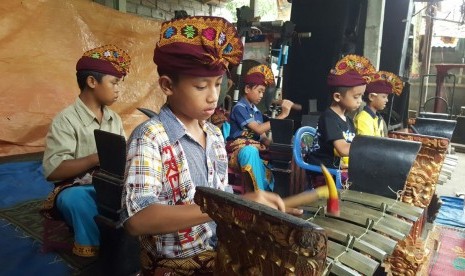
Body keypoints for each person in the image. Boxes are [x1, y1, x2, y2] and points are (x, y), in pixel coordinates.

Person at [121, 16, 301, 275]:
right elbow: (137, 220)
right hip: (173, 265)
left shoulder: (215, 136)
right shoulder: (149, 137)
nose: (213, 96)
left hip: (217, 249)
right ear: (167, 85)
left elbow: (222, 195)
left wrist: (253, 210)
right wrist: (233, 206)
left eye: (218, 84)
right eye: (200, 86)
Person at [41, 45, 130, 257]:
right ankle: (96, 247)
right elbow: (53, 170)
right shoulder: (66, 120)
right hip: (79, 188)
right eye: (114, 83)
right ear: (92, 82)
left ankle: (121, 240)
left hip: (111, 185)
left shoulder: (114, 118)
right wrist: (96, 159)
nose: (118, 89)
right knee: (75, 201)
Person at [306, 55, 375, 186]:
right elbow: (343, 149)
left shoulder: (348, 121)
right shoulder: (328, 118)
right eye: (356, 97)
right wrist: (367, 148)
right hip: (323, 172)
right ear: (338, 96)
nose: (360, 101)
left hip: (336, 169)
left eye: (361, 96)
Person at [226, 64, 294, 192]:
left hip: (256, 147)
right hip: (238, 150)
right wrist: (282, 115)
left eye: (263, 92)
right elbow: (258, 129)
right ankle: (259, 195)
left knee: (279, 156)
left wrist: (275, 147)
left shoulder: (257, 112)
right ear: (247, 89)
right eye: (259, 91)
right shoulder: (239, 108)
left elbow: (262, 137)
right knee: (249, 151)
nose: (262, 95)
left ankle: (270, 194)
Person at [354, 71, 404, 137]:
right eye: (384, 97)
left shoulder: (378, 118)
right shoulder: (363, 118)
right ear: (371, 97)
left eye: (387, 97)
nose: (387, 100)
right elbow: (367, 144)